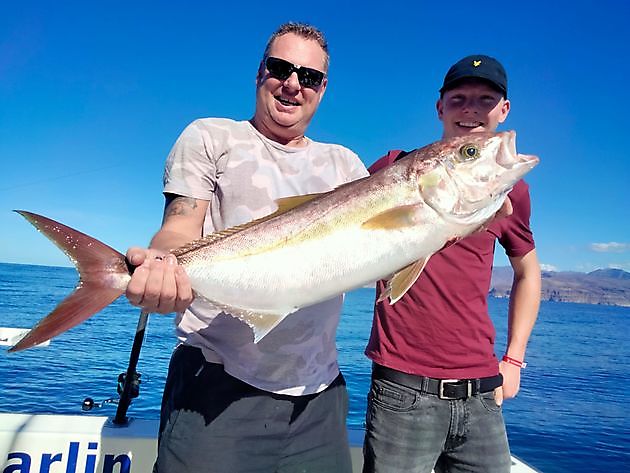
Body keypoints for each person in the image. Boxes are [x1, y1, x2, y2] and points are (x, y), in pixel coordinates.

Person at [124, 22, 368, 473]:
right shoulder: (212, 138)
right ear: (260, 73)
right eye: (280, 68)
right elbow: (179, 227)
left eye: (309, 77)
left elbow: (386, 255)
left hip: (320, 398)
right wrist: (163, 265)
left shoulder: (346, 166)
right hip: (216, 384)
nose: (293, 84)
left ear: (323, 88)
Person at [362, 55, 542, 473]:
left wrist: (513, 360)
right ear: (440, 107)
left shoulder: (511, 192)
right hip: (402, 390)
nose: (471, 109)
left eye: (485, 99)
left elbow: (528, 271)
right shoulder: (393, 168)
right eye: (459, 98)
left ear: (504, 110)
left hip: (482, 393)